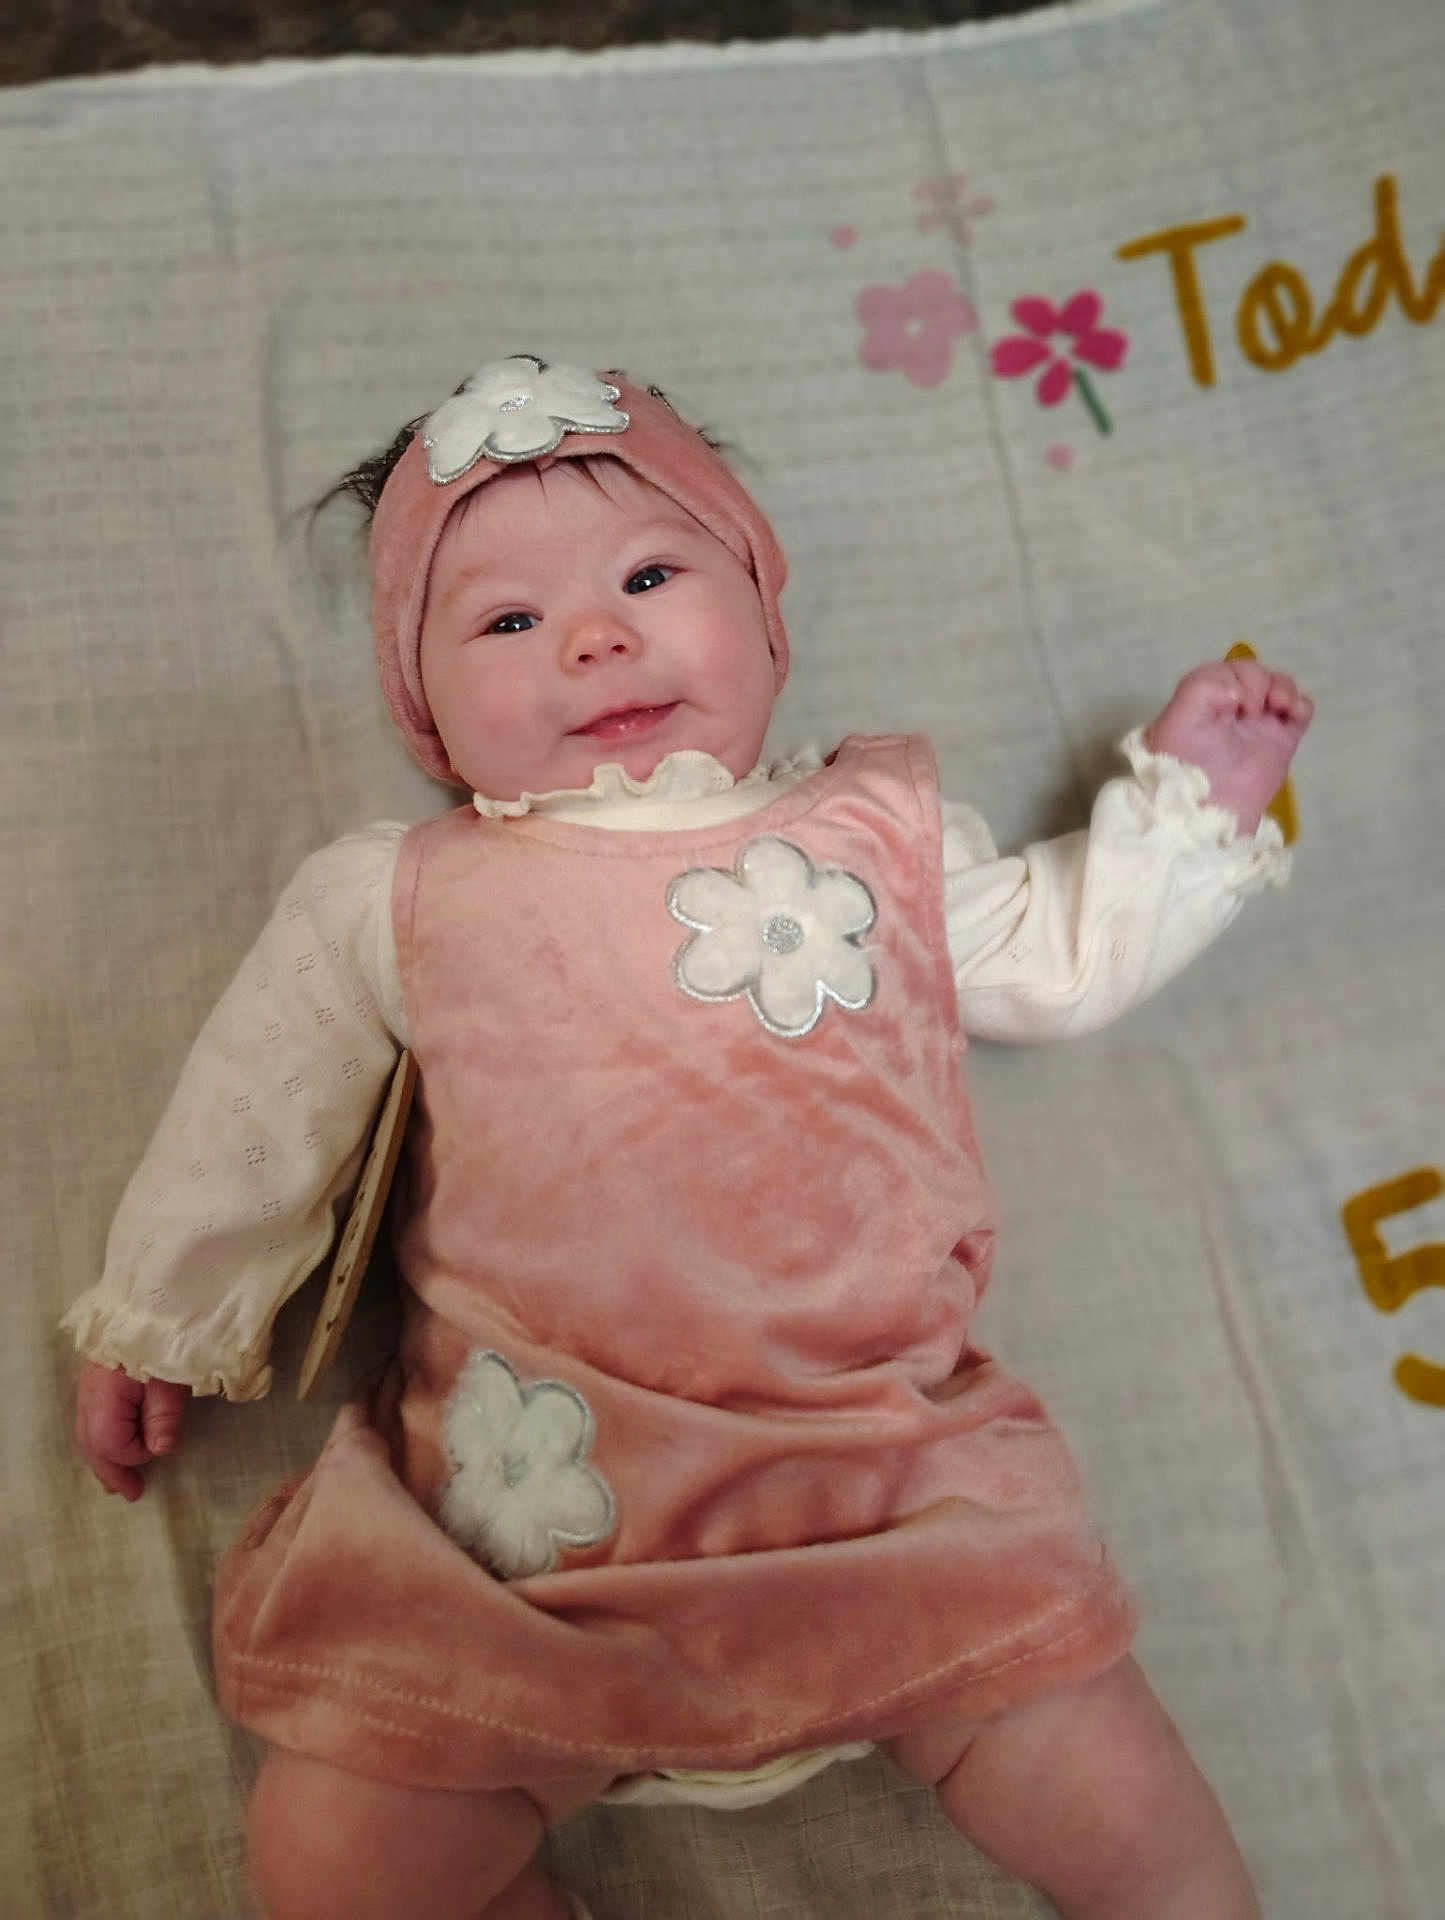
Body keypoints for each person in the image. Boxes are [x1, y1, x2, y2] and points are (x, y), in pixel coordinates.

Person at [66, 354, 1313, 1920]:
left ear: (763, 609)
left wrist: (1184, 816)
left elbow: (1059, 960)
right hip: (522, 1524)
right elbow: (256, 1113)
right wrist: (163, 1313)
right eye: (507, 623)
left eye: (651, 575)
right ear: (428, 712)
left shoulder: (872, 829)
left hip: (879, 1485)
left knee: (1125, 1813)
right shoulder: (399, 894)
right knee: (327, 1868)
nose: (595, 635)